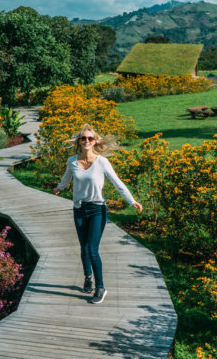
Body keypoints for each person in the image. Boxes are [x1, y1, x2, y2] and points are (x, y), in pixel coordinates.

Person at [53, 124, 142, 304]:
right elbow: (66, 178)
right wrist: (59, 188)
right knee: (83, 247)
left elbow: (118, 183)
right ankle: (88, 277)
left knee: (92, 249)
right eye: (83, 138)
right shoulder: (72, 161)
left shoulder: (102, 162)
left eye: (90, 138)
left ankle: (100, 287)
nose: (87, 141)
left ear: (95, 142)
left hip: (97, 210)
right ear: (79, 141)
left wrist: (131, 201)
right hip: (79, 209)